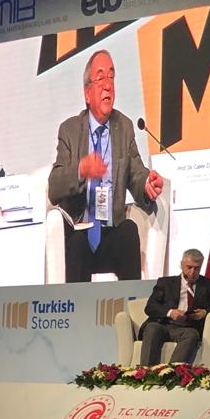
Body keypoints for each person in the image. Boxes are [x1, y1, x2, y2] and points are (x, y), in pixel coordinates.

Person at [48, 49, 164, 282]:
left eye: (111, 77)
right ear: (87, 93)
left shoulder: (124, 127)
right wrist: (81, 170)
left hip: (111, 232)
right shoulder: (70, 130)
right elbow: (54, 187)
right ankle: (76, 305)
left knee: (129, 231)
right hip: (81, 233)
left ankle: (134, 303)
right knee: (78, 243)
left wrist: (147, 185)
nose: (108, 85)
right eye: (100, 78)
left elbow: (136, 173)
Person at [139, 249, 210, 366]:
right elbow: (150, 307)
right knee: (152, 328)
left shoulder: (208, 285)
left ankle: (171, 371)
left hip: (186, 327)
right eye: (189, 267)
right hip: (163, 324)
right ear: (181, 265)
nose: (192, 272)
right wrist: (170, 312)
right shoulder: (165, 283)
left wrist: (204, 313)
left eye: (197, 268)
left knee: (192, 335)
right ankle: (146, 371)